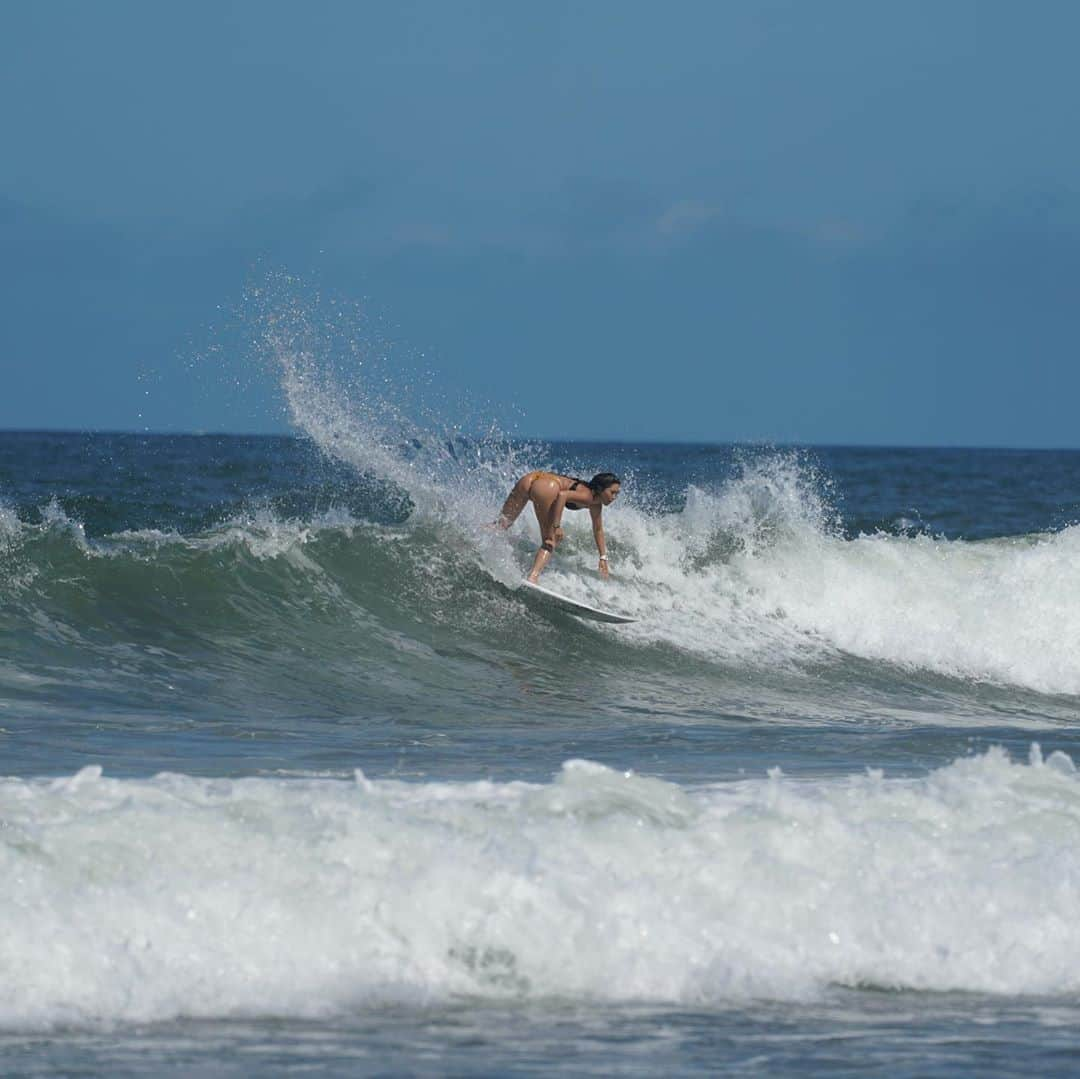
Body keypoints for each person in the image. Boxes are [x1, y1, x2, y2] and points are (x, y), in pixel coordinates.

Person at [496, 470, 621, 582]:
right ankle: (533, 577)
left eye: (617, 494)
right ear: (600, 489)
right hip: (547, 487)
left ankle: (479, 540)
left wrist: (603, 557)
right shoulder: (588, 497)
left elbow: (598, 529)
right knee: (550, 541)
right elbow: (562, 495)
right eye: (612, 492)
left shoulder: (595, 504)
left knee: (501, 525)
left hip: (531, 478)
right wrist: (556, 526)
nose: (614, 497)